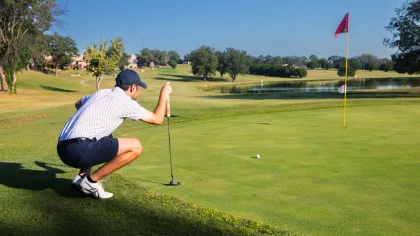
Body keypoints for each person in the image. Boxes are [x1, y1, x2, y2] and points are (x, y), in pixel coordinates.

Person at [56, 69, 172, 199]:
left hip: (62, 149)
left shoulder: (101, 93)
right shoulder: (126, 102)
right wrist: (163, 94)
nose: (139, 91)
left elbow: (78, 103)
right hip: (78, 151)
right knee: (136, 146)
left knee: (106, 136)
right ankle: (91, 181)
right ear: (133, 87)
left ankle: (81, 178)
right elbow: (157, 119)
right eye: (139, 87)